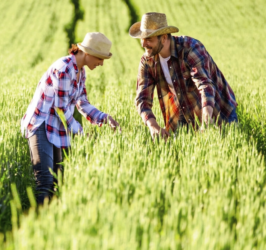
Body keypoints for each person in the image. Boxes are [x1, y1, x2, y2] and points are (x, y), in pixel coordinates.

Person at [21, 32, 120, 204]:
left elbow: (81, 102)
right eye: (100, 58)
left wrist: (104, 117)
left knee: (58, 181)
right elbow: (61, 108)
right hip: (42, 125)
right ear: (87, 53)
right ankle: (36, 225)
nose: (102, 63)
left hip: (57, 128)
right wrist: (81, 133)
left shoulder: (80, 72)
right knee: (45, 181)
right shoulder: (65, 68)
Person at [129, 12, 238, 140]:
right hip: (183, 112)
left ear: (163, 38)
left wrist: (207, 117)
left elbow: (205, 85)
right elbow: (142, 99)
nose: (143, 44)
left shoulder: (190, 48)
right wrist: (153, 126)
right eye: (142, 38)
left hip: (218, 109)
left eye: (149, 39)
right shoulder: (148, 61)